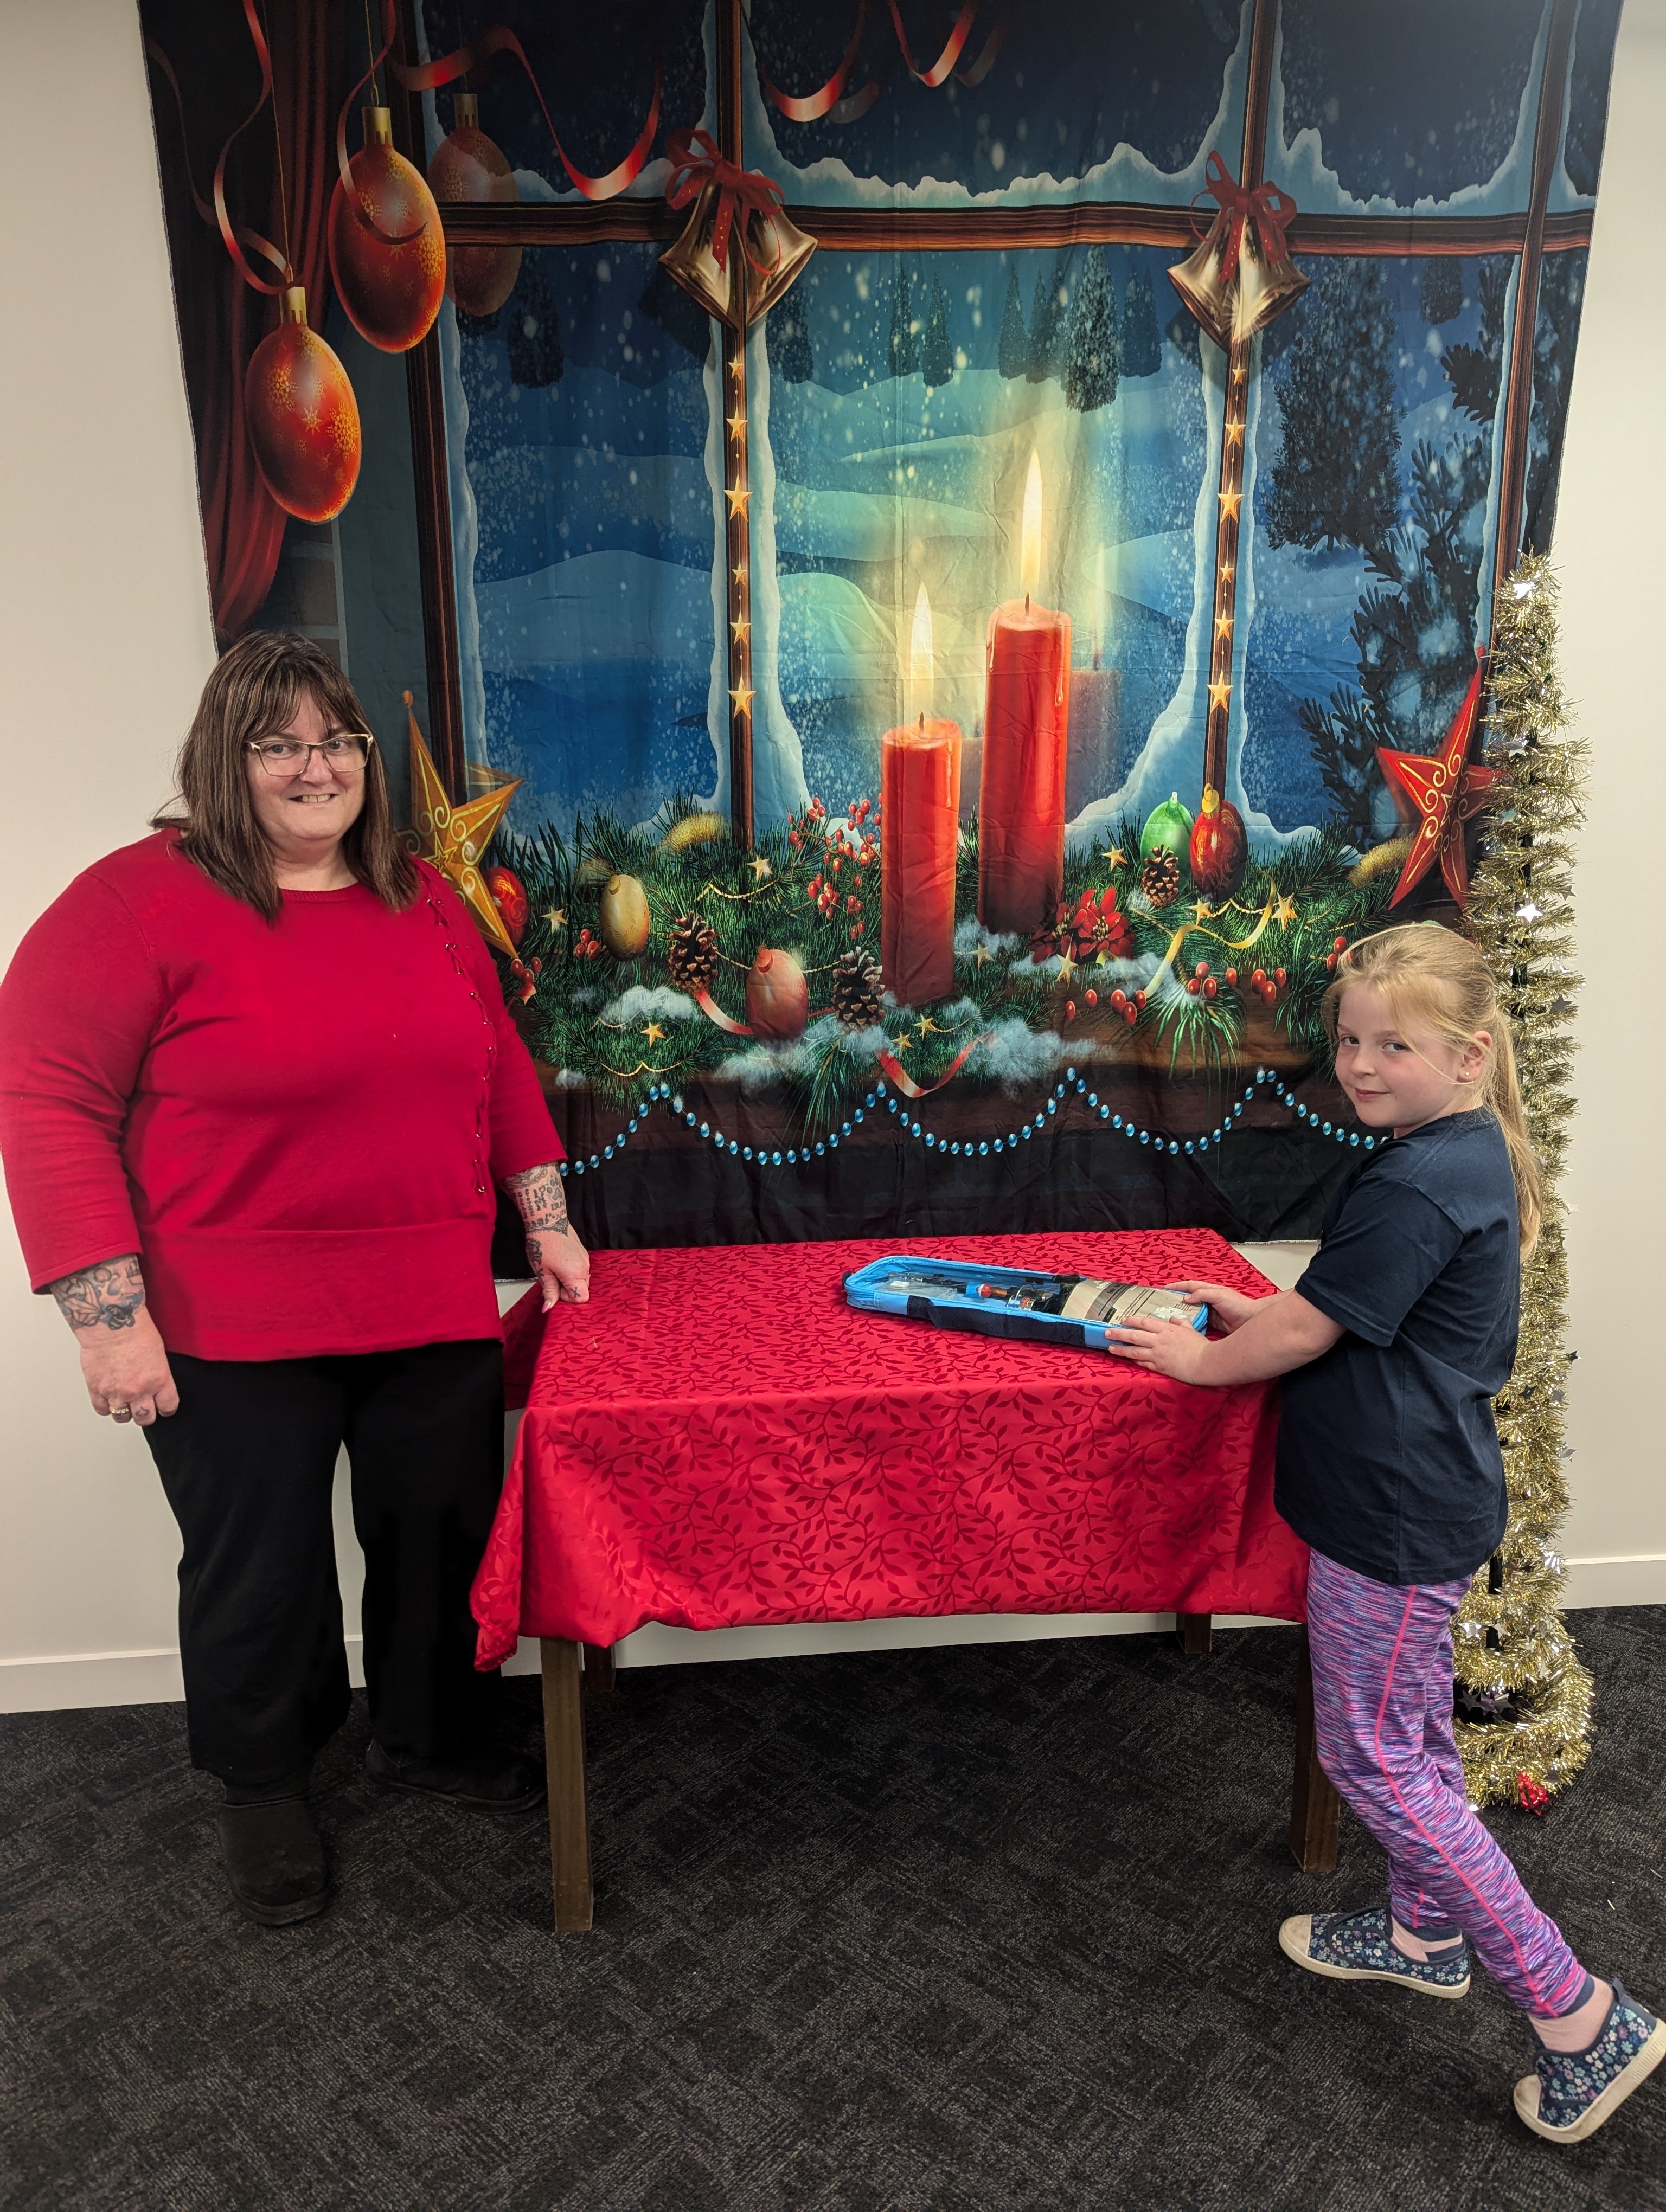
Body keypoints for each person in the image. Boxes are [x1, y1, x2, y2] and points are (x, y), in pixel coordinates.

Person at [0, 632, 589, 1928]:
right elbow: (47, 1107)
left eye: (337, 740)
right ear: (230, 759)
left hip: (429, 1304)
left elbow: (494, 1061)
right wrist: (109, 1327)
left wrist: (543, 1216)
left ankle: (428, 1738)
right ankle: (265, 1783)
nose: (314, 767)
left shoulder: (425, 897)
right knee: (259, 1570)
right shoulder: (132, 904)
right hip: (225, 1326)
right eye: (281, 743)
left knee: (439, 1538)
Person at [1106, 923, 1662, 2146]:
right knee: (1405, 1731)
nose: (1359, 1064)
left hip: (1392, 1521)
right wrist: (1264, 1306)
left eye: (1391, 1044)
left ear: (1467, 1056)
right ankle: (1421, 1938)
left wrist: (1209, 1359)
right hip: (1414, 1501)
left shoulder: (1418, 1179)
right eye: (1350, 1038)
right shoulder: (1456, 1154)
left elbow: (1312, 1338)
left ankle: (1577, 2014)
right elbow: (1358, 1314)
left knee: (1372, 1759)